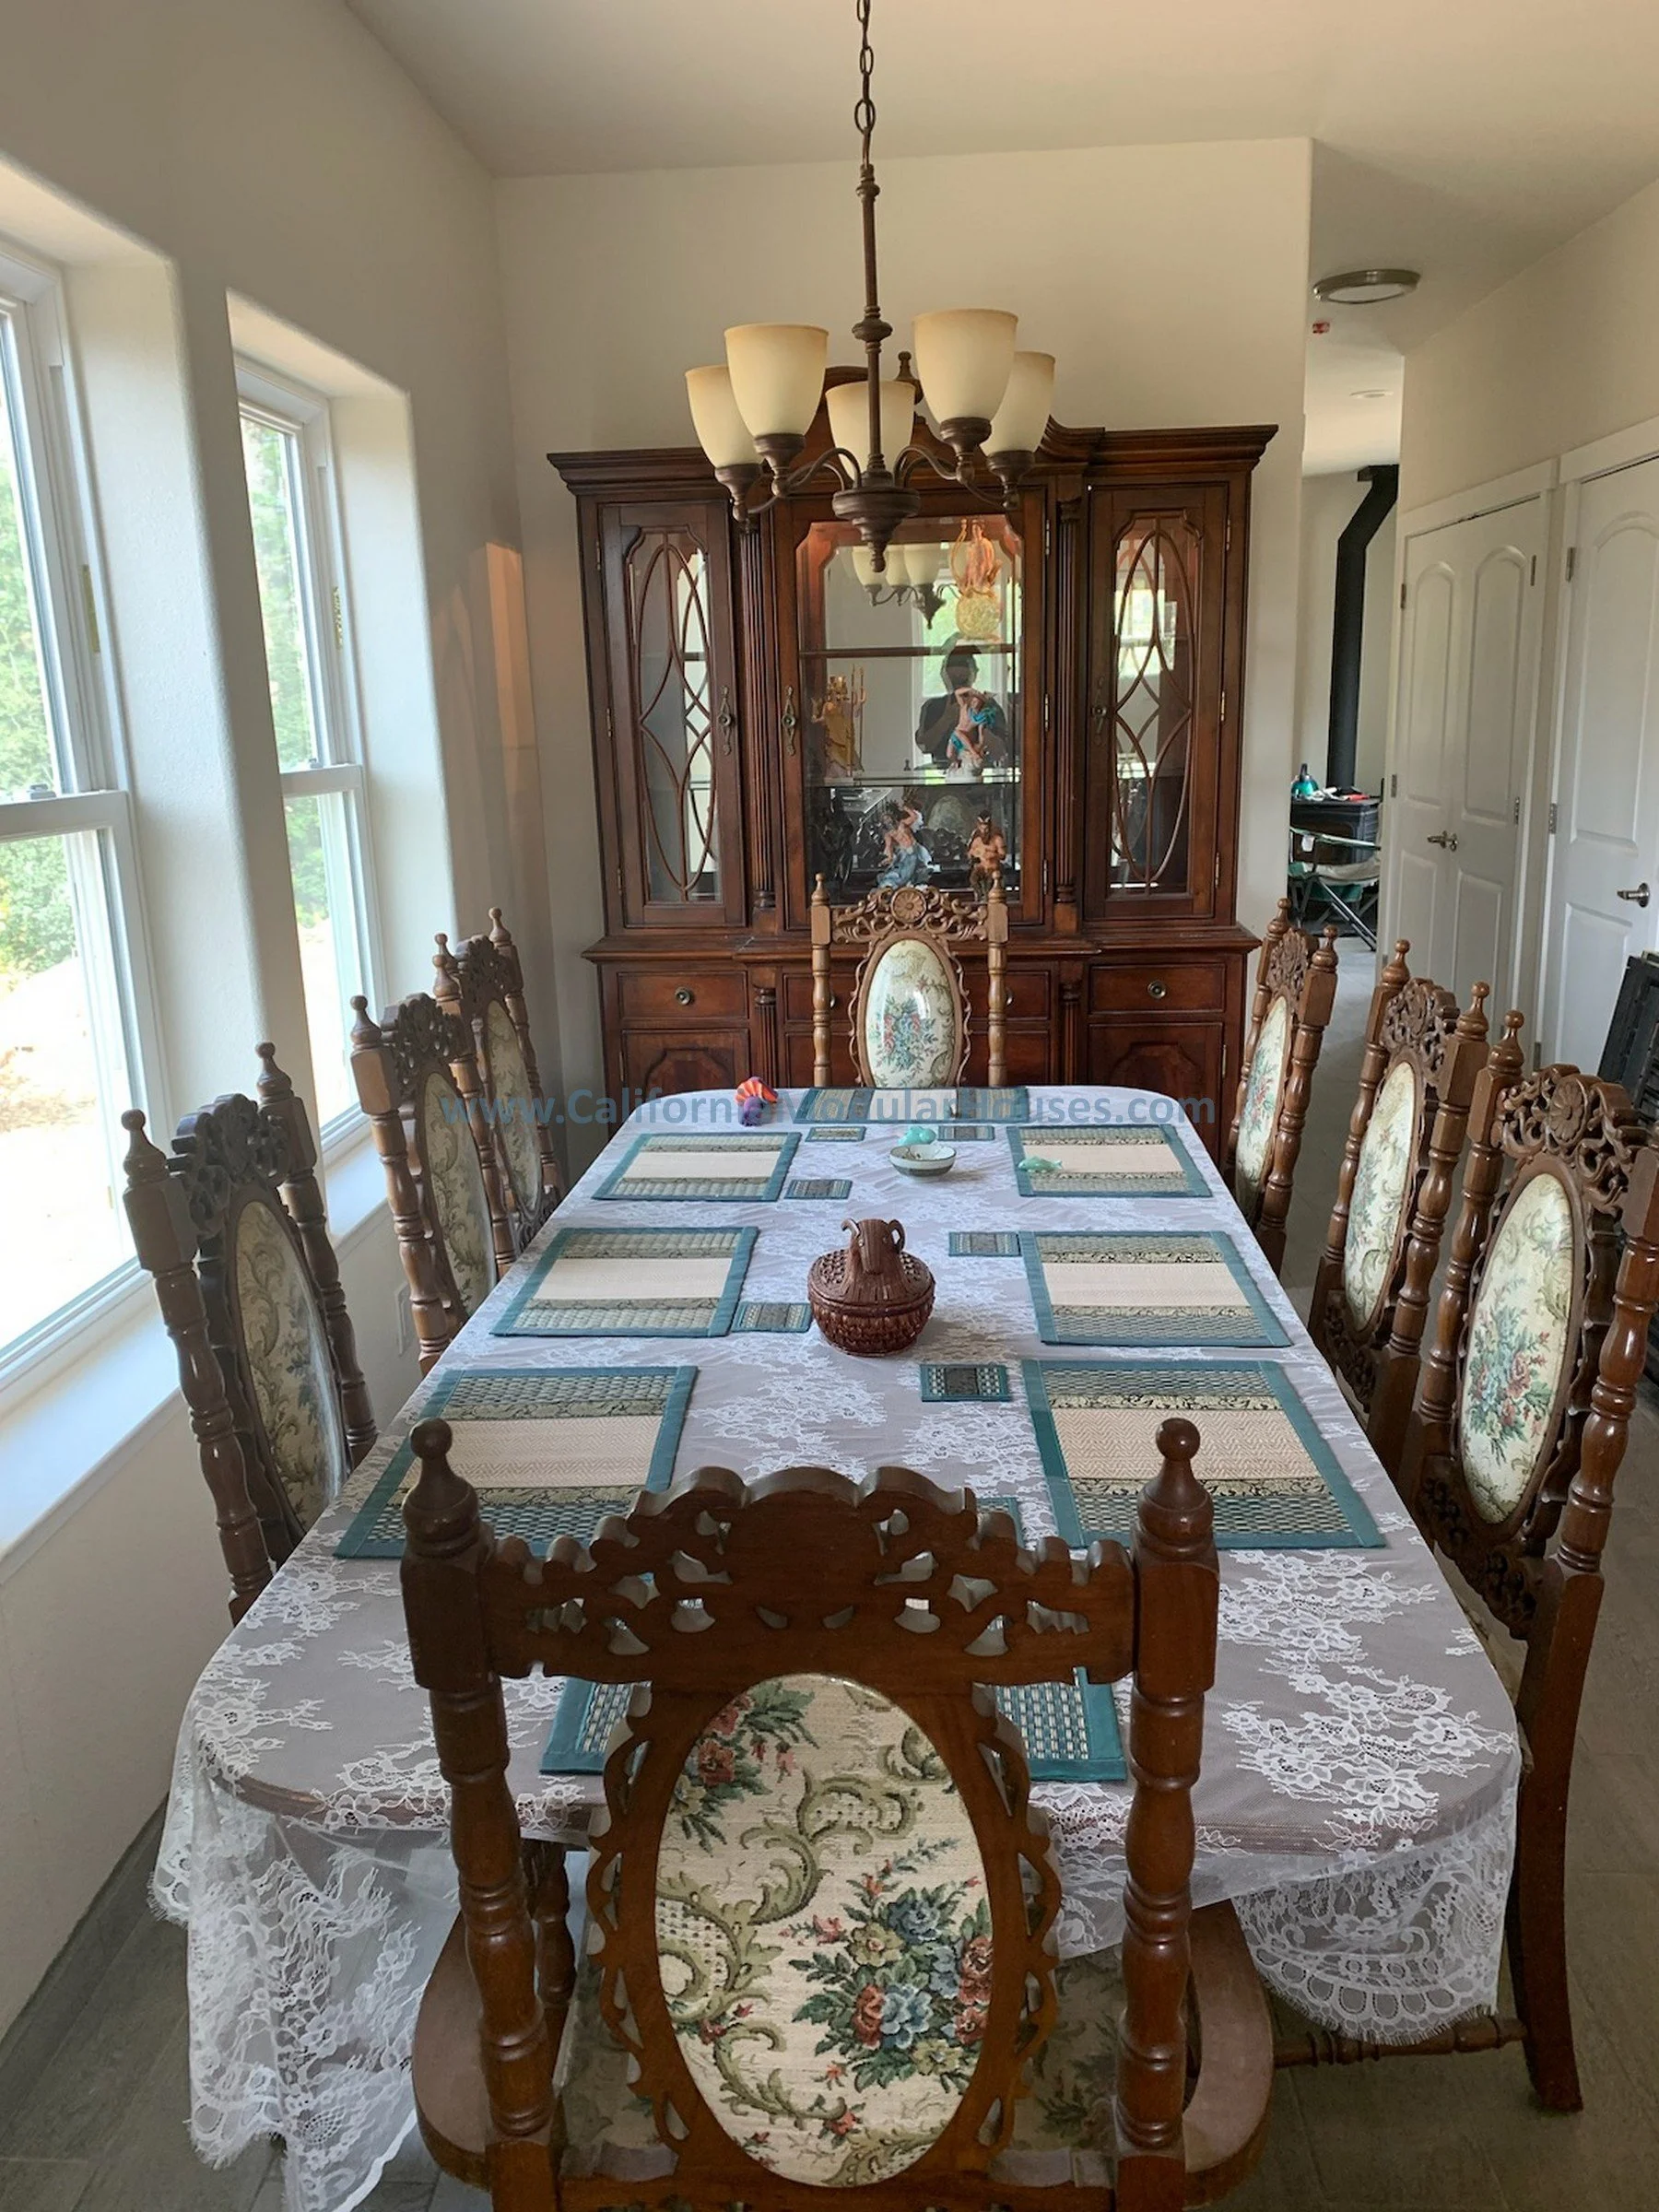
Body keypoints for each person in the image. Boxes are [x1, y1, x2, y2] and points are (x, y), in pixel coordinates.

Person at [913, 648, 1011, 768]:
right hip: (944, 771)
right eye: (954, 681)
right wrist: (947, 718)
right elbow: (925, 746)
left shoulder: (988, 705)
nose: (959, 690)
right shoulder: (933, 706)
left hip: (982, 770)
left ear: (974, 675)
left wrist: (978, 725)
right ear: (944, 677)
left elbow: (1002, 750)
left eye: (963, 680)